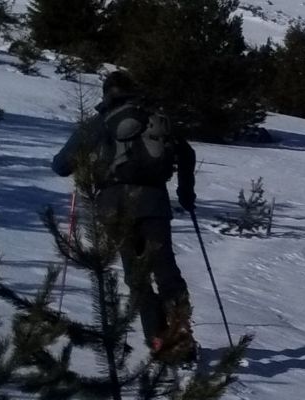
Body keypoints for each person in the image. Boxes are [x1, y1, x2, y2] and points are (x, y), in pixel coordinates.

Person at [51, 70, 199, 363]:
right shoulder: (153, 117)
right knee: (165, 268)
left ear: (106, 94)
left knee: (136, 276)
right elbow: (187, 153)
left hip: (114, 207)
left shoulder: (100, 122)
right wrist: (186, 193)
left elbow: (60, 165)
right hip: (154, 202)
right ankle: (181, 333)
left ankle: (157, 337)